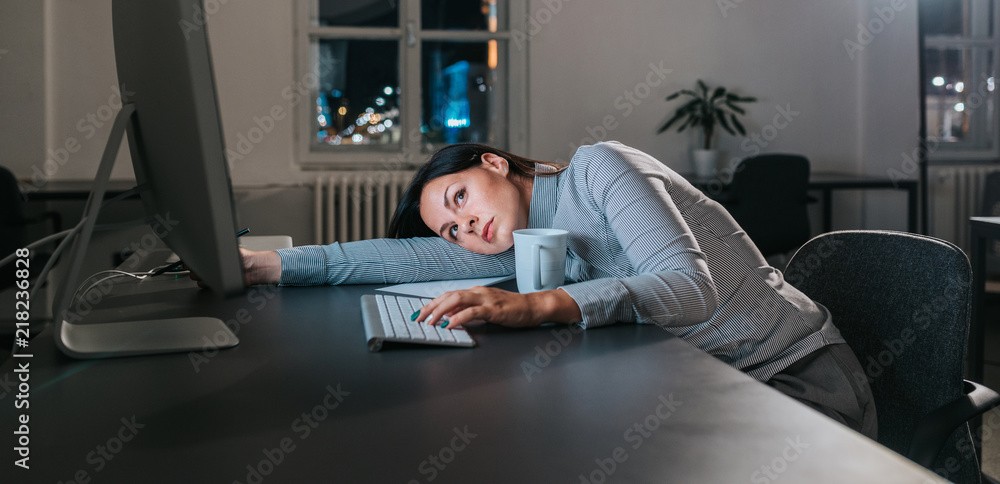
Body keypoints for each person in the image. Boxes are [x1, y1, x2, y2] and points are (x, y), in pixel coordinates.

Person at [240, 140, 877, 439]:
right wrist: (271, 264)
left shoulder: (597, 167)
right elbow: (400, 259)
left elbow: (687, 289)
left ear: (493, 162)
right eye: (454, 230)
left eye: (460, 198)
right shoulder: (521, 240)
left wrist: (536, 303)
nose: (467, 227)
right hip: (713, 387)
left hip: (797, 381)